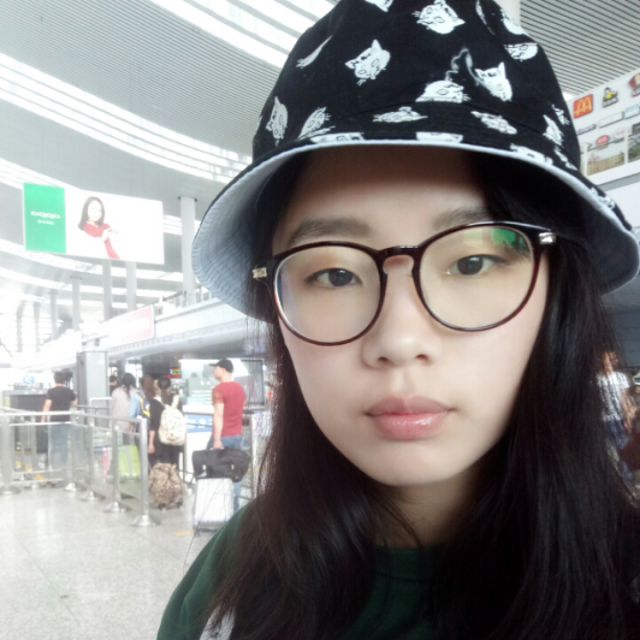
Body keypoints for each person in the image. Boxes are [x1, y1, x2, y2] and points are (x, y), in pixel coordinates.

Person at [157, 2, 640, 638]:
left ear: (558, 293)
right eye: (334, 274)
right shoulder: (232, 582)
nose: (400, 339)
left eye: (471, 262)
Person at [209, 358, 246, 512]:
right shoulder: (240, 389)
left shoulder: (219, 390)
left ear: (223, 369)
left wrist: (217, 439)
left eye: (216, 368)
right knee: (236, 472)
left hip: (223, 437)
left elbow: (219, 415)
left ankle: (221, 510)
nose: (214, 371)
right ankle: (234, 508)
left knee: (218, 472)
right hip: (238, 435)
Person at [599, 351, 635, 477]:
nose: (608, 363)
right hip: (604, 420)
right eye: (606, 360)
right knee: (609, 450)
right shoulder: (597, 379)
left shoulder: (621, 377)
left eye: (611, 360)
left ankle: (626, 475)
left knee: (623, 446)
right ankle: (616, 476)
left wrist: (628, 418)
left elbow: (624, 399)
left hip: (619, 418)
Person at [41, 370, 77, 480]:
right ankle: (63, 463)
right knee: (63, 442)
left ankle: (52, 462)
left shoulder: (51, 391)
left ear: (55, 380)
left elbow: (47, 406)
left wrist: (43, 419)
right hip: (66, 420)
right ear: (64, 380)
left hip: (54, 421)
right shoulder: (69, 391)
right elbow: (75, 404)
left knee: (52, 442)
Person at [110, 372, 142, 443]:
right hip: (131, 425)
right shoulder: (136, 394)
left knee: (118, 445)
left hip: (117, 424)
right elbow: (138, 411)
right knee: (130, 444)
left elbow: (112, 408)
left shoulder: (115, 392)